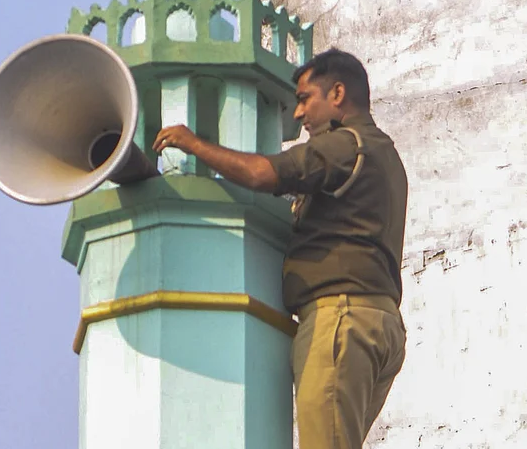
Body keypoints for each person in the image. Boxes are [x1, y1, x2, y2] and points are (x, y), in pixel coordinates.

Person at [153, 48, 408, 449]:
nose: (298, 114)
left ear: (337, 93)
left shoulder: (346, 145)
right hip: (380, 322)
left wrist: (193, 143)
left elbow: (262, 173)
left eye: (306, 98)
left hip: (341, 315)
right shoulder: (383, 152)